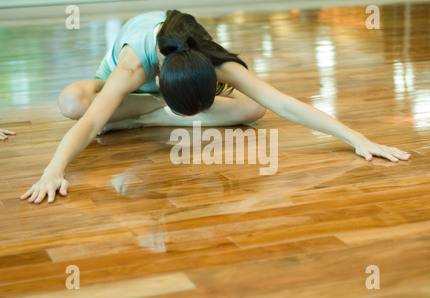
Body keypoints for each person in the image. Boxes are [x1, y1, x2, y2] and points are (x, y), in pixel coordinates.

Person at [20, 10, 410, 204]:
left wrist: (356, 138)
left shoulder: (212, 59)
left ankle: (135, 120)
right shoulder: (132, 68)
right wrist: (52, 171)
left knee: (253, 111)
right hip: (131, 92)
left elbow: (281, 103)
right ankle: (148, 115)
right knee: (72, 102)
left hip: (156, 99)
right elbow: (87, 124)